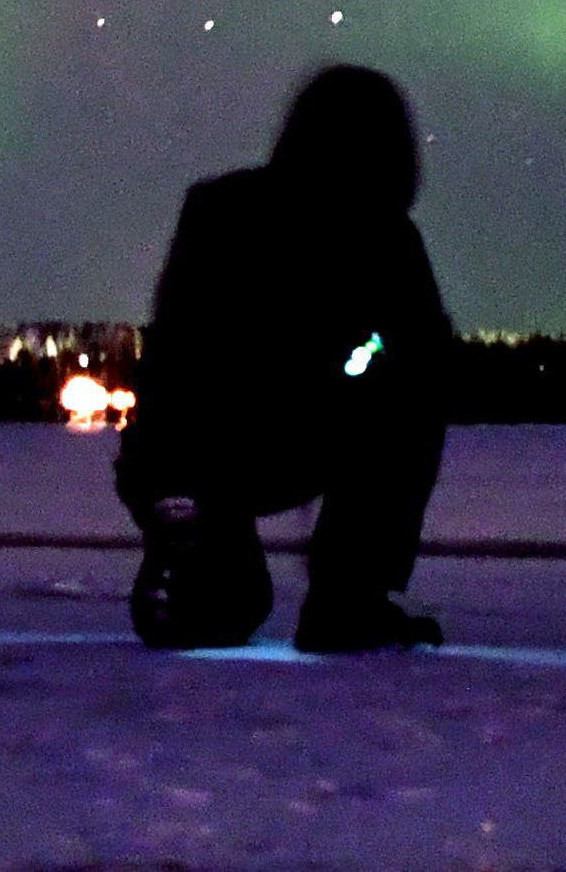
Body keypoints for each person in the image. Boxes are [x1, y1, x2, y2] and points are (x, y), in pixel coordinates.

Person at [114, 63, 453, 652]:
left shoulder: (221, 209)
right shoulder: (380, 236)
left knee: (226, 607)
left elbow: (175, 345)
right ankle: (342, 594)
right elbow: (417, 355)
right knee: (411, 392)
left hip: (207, 445)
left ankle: (233, 569)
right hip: (250, 442)